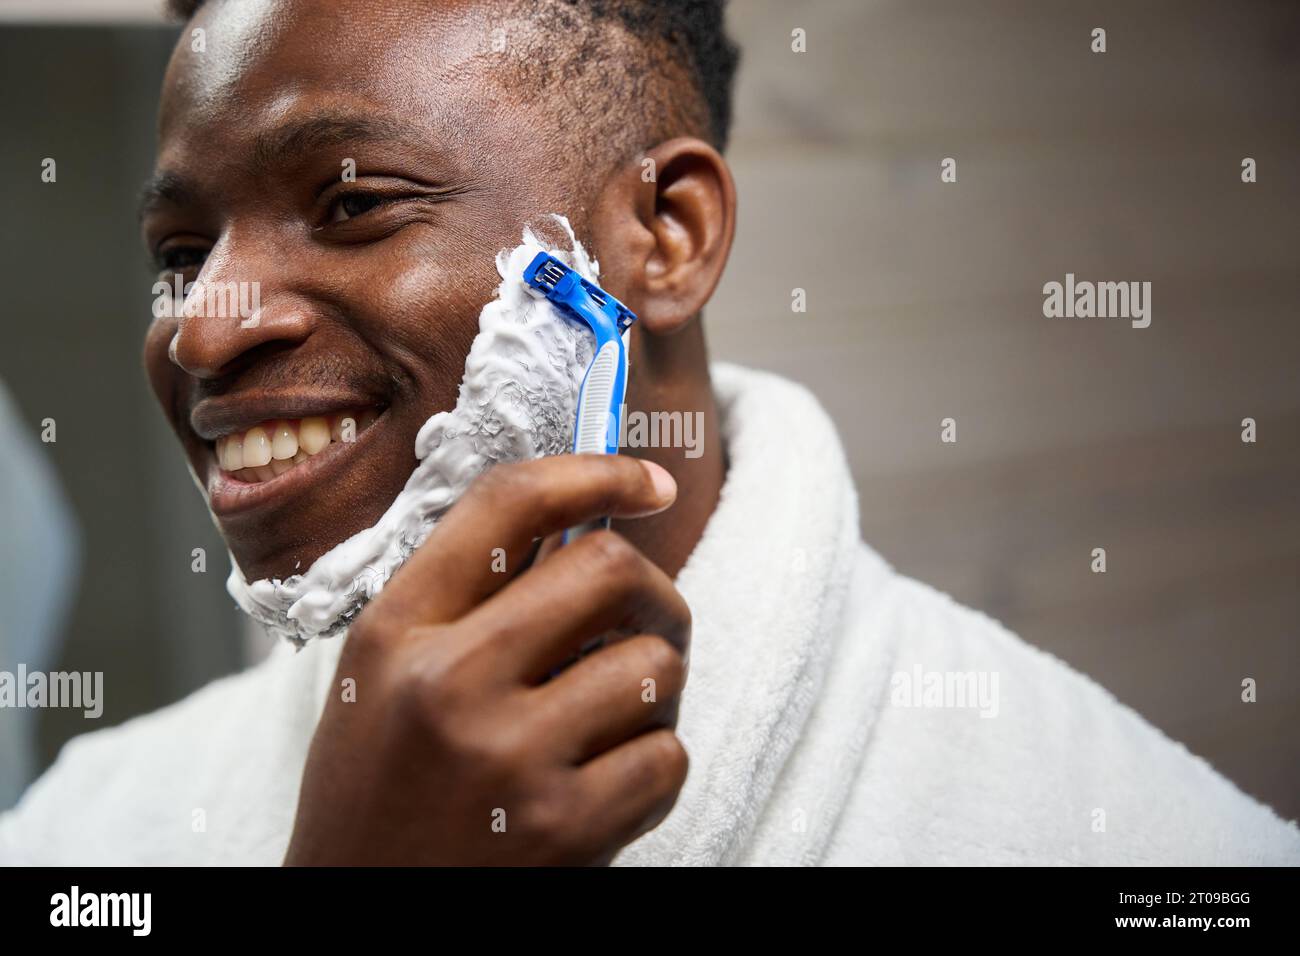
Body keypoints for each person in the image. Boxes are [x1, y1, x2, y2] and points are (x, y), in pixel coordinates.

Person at [2, 0, 1296, 865]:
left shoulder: (1132, 840)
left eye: (349, 204)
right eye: (181, 253)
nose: (201, 333)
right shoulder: (86, 833)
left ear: (664, 239)